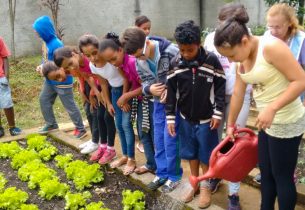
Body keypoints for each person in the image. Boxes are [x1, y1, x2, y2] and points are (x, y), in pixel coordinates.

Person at [214, 4, 305, 210]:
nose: (230, 61)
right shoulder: (241, 58)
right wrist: (230, 125)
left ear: (244, 41)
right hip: (267, 122)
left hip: (287, 119)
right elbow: (238, 93)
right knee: (266, 171)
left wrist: (272, 107)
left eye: (231, 55)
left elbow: (300, 80)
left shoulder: (271, 47)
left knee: (282, 176)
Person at [166, 20, 225, 208]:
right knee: (190, 152)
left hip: (207, 119)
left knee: (206, 153)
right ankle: (195, 182)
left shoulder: (211, 61)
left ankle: (206, 186)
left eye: (189, 50)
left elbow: (221, 87)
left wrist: (218, 113)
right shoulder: (176, 63)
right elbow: (171, 92)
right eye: (181, 50)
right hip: (185, 118)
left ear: (198, 44)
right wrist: (170, 117)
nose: (184, 54)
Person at [121, 27, 183, 193]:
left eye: (141, 54)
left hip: (174, 104)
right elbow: (145, 83)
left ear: (147, 42)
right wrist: (149, 90)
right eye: (136, 57)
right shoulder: (137, 58)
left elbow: (183, 76)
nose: (140, 59)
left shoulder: (170, 51)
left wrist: (171, 90)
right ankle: (161, 173)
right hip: (156, 103)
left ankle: (174, 176)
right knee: (159, 140)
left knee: (170, 140)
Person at [203, 3, 252, 209]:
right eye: (221, 23)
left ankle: (233, 194)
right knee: (213, 139)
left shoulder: (247, 38)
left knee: (235, 143)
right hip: (215, 98)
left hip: (240, 95)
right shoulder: (209, 39)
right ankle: (214, 176)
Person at [252, 2, 305, 185]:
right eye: (270, 26)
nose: (273, 31)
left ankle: (286, 172)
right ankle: (272, 171)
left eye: (278, 26)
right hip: (270, 102)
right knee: (269, 148)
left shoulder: (301, 41)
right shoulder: (267, 38)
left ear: (289, 23)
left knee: (288, 146)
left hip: (294, 101)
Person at [98, 32, 156, 174]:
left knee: (151, 133)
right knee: (143, 133)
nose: (113, 63)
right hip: (140, 99)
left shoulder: (132, 62)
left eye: (113, 59)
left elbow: (146, 86)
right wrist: (125, 96)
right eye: (109, 61)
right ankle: (151, 164)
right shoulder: (121, 64)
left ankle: (157, 165)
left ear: (121, 50)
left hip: (150, 100)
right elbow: (128, 81)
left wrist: (127, 95)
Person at [79, 34, 136, 175]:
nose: (92, 58)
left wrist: (124, 97)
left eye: (94, 53)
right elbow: (103, 84)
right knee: (119, 126)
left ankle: (132, 159)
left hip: (126, 90)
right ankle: (124, 156)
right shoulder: (92, 65)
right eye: (88, 55)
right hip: (115, 93)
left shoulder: (110, 60)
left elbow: (126, 79)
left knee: (126, 125)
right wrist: (108, 103)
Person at [32, 16, 86, 138]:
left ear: (44, 30)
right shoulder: (45, 43)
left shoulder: (56, 43)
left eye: (37, 30)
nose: (35, 32)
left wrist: (44, 68)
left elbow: (60, 64)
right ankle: (51, 124)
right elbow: (47, 60)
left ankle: (80, 129)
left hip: (62, 80)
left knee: (69, 105)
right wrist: (42, 66)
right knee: (44, 100)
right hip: (50, 80)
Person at [52, 46, 109, 155]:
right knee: (89, 112)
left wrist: (93, 94)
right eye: (67, 68)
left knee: (97, 114)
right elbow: (83, 78)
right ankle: (94, 139)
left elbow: (95, 78)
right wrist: (83, 92)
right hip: (92, 87)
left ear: (74, 54)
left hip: (99, 87)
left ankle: (98, 141)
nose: (71, 68)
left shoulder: (86, 60)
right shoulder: (75, 64)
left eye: (69, 65)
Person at [134, 15, 152, 154]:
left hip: (150, 91)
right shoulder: (134, 50)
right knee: (142, 121)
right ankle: (142, 141)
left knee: (149, 122)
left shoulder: (150, 46)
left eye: (148, 28)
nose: (146, 31)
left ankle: (150, 145)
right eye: (143, 28)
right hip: (141, 92)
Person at [0, 36, 22, 137]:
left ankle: (12, 127)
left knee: (7, 103)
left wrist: (6, 77)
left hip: (1, 78)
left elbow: (5, 57)